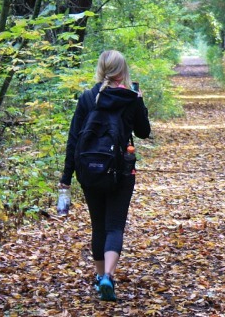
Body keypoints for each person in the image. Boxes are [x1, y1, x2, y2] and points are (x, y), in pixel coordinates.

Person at [59, 50, 150, 301]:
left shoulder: (88, 98)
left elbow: (74, 139)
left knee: (98, 224)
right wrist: (139, 101)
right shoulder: (129, 98)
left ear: (101, 69)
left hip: (89, 171)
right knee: (114, 226)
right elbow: (143, 132)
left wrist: (67, 176)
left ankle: (100, 278)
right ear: (123, 70)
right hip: (121, 171)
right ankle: (109, 275)